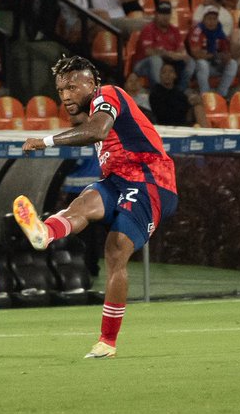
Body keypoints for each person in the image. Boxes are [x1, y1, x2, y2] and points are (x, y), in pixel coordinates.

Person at [13, 54, 178, 358]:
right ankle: (44, 233)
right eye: (61, 90)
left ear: (92, 83)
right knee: (83, 204)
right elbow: (86, 128)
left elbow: (97, 130)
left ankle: (107, 342)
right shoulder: (87, 111)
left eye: (73, 88)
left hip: (150, 180)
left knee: (115, 250)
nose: (65, 96)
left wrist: (45, 141)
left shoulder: (108, 94)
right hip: (117, 180)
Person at [132, 0, 195, 87]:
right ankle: (158, 93)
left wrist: (180, 56)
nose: (165, 17)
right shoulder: (149, 29)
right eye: (162, 14)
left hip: (167, 64)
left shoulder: (174, 30)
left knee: (190, 62)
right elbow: (148, 52)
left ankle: (179, 92)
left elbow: (182, 51)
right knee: (156, 60)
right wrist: (167, 54)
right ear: (156, 14)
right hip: (143, 65)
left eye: (167, 14)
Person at [187, 6, 237, 97]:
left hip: (214, 64)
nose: (212, 22)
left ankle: (221, 95)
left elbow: (226, 52)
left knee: (233, 64)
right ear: (204, 19)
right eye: (209, 19)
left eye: (214, 19)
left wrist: (225, 57)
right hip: (198, 67)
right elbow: (196, 54)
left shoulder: (219, 31)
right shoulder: (197, 30)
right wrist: (214, 55)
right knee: (202, 64)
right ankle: (205, 95)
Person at [149, 60, 207, 127]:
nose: (167, 74)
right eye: (164, 72)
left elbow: (186, 110)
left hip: (182, 124)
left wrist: (192, 103)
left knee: (198, 105)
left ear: (175, 75)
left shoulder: (179, 92)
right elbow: (162, 114)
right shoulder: (155, 92)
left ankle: (207, 133)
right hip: (165, 125)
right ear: (160, 76)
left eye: (170, 72)